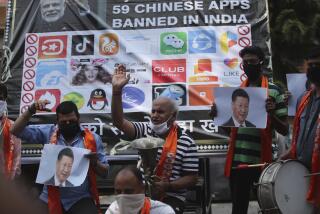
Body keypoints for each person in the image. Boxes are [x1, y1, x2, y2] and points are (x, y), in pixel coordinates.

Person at [210, 46, 288, 214]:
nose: (248, 65)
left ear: (262, 63)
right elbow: (231, 132)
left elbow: (284, 130)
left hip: (262, 161)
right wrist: (217, 117)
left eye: (252, 61)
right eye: (245, 62)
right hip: (238, 163)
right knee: (238, 209)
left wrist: (271, 114)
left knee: (268, 208)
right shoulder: (237, 92)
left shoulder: (274, 91)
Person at [111, 65, 199, 214]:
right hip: (140, 195)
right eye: (153, 111)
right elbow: (119, 122)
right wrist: (117, 91)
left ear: (173, 116)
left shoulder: (186, 141)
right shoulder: (144, 130)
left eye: (160, 112)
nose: (155, 115)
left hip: (172, 197)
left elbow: (191, 178)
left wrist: (168, 186)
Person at [10, 100, 108, 214]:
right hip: (49, 197)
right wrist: (31, 111)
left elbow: (105, 173)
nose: (68, 124)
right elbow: (15, 130)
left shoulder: (92, 139)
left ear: (78, 118)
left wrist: (95, 163)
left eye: (71, 121)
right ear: (57, 121)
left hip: (79, 198)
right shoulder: (48, 132)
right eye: (63, 122)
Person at [282, 47, 320, 212]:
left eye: (317, 65)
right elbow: (297, 134)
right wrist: (287, 154)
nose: (313, 70)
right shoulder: (302, 99)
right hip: (302, 171)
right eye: (310, 66)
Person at [106, 166, 175, 214]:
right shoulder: (112, 210)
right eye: (118, 192)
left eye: (128, 191)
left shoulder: (163, 211)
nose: (123, 196)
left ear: (142, 189)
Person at [0, 83, 21, 180]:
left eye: (0, 98)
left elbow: (16, 158)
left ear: (5, 100)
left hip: (6, 183)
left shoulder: (12, 126)